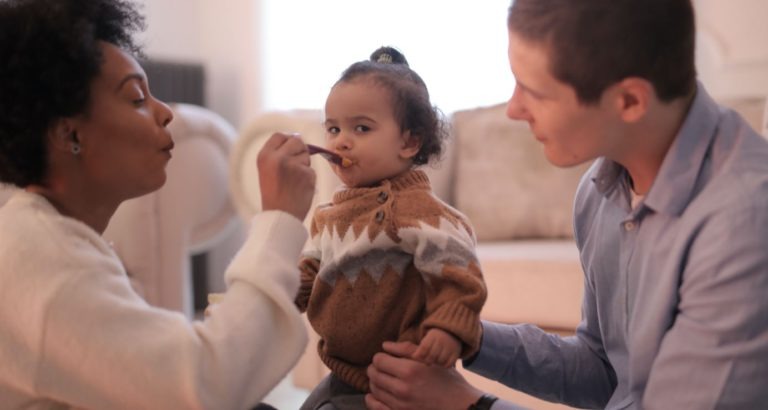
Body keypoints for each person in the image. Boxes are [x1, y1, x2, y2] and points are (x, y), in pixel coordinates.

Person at [366, 0, 768, 409]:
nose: (513, 108)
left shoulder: (743, 226)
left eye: (535, 91)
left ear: (630, 101)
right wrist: (464, 335)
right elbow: (606, 373)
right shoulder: (601, 189)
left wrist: (469, 405)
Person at [0, 0, 316, 408]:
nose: (165, 112)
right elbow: (203, 385)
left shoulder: (37, 233)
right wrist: (278, 220)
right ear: (68, 134)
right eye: (136, 98)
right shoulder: (42, 260)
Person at [296, 47, 487, 410]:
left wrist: (448, 328)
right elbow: (308, 273)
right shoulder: (328, 216)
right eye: (333, 128)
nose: (341, 140)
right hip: (341, 371)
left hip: (401, 377)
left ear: (410, 141)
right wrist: (274, 296)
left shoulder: (421, 212)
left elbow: (460, 273)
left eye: (361, 128)